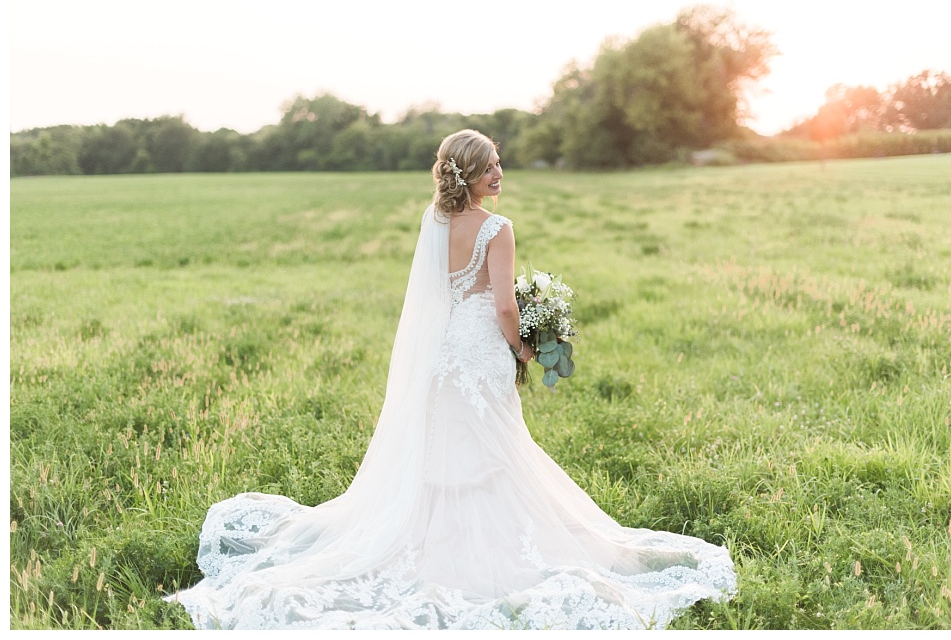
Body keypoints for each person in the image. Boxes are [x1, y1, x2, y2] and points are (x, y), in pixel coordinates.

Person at [166, 130, 736, 629]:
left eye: (499, 163)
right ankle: (481, 551)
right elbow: (507, 308)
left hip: (442, 351)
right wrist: (526, 351)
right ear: (471, 172)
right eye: (491, 165)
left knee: (446, 445)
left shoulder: (434, 220)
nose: (500, 172)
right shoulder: (498, 228)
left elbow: (438, 295)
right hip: (482, 348)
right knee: (494, 445)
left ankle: (438, 539)